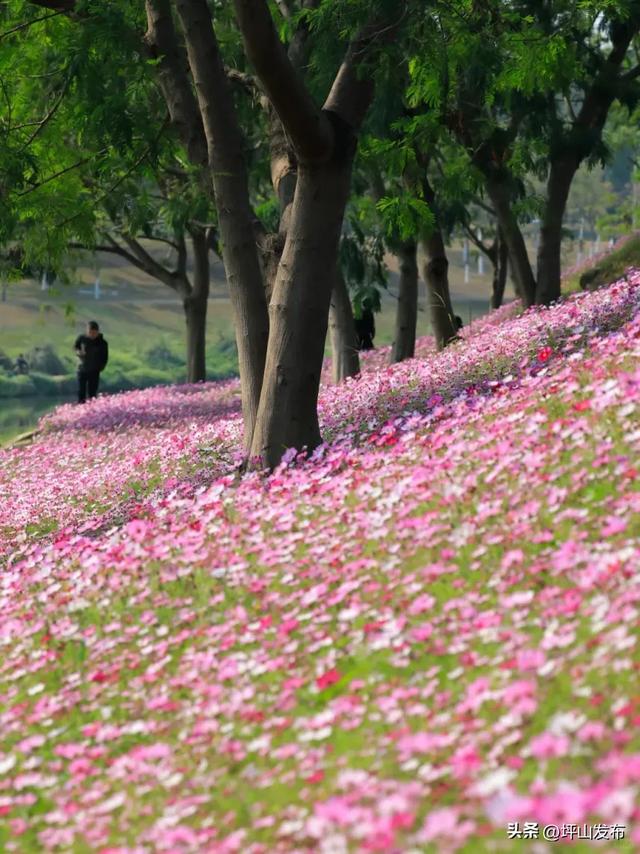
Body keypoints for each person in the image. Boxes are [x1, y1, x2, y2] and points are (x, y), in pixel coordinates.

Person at [74, 320, 108, 403]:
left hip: (94, 370)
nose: (92, 335)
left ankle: (92, 412)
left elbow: (105, 357)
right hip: (82, 369)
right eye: (90, 332)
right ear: (87, 331)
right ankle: (81, 411)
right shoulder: (81, 338)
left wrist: (100, 367)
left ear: (98, 332)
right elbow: (76, 347)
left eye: (94, 333)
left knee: (92, 393)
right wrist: (79, 352)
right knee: (81, 392)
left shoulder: (102, 343)